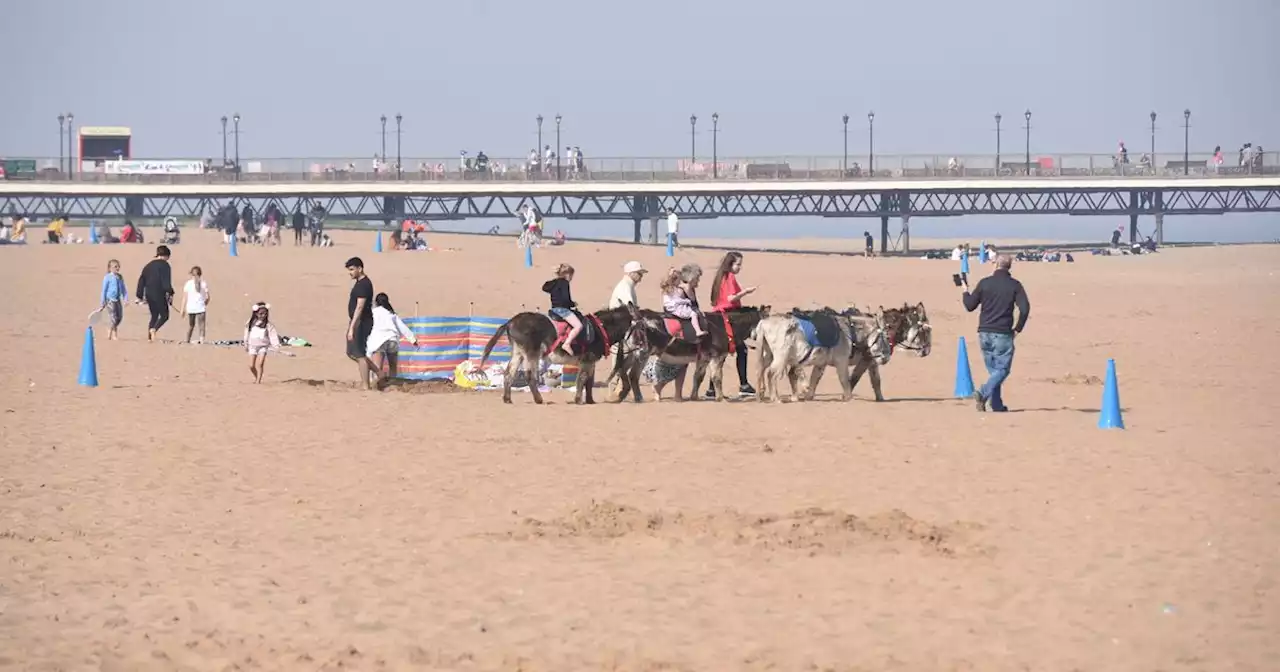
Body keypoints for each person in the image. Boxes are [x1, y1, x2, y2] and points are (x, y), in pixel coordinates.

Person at [961, 254, 1031, 412]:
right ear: (1009, 267)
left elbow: (969, 305)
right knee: (1002, 370)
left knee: (995, 371)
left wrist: (965, 291)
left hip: (984, 332)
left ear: (995, 265)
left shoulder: (985, 283)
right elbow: (1025, 308)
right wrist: (1018, 328)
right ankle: (982, 392)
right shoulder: (1015, 285)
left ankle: (996, 404)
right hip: (1002, 332)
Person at [708, 251, 758, 397]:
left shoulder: (720, 277)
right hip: (728, 318)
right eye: (737, 264)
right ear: (730, 264)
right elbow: (730, 298)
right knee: (735, 351)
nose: (739, 267)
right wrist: (745, 292)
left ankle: (713, 389)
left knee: (721, 354)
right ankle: (743, 384)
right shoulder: (729, 276)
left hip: (720, 316)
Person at [367, 293, 420, 387]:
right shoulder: (391, 314)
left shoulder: (372, 312)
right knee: (393, 367)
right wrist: (413, 340)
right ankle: (392, 385)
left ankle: (376, 384)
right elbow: (402, 327)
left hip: (379, 341)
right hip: (392, 339)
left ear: (376, 302)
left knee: (377, 368)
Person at [345, 257, 377, 389]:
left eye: (352, 269)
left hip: (361, 322)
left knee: (359, 354)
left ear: (360, 269)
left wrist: (352, 327)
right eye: (349, 270)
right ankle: (379, 372)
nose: (350, 273)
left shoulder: (364, 285)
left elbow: (360, 307)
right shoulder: (360, 283)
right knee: (351, 352)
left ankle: (365, 386)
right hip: (357, 321)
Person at [135, 245, 175, 342]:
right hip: (159, 293)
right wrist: (170, 292)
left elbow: (141, 280)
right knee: (165, 315)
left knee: (154, 315)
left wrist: (139, 295)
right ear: (165, 255)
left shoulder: (148, 266)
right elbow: (166, 282)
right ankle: (154, 329)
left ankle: (150, 338)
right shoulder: (165, 265)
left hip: (149, 293)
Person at [542, 263, 581, 356]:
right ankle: (567, 343)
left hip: (554, 309)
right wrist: (572, 304)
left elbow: (545, 288)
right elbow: (565, 299)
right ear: (567, 274)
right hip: (563, 310)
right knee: (578, 326)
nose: (571, 278)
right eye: (571, 275)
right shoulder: (564, 283)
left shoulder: (554, 283)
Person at [661, 265, 706, 337]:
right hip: (680, 313)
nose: (698, 280)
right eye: (697, 278)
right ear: (692, 279)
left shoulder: (685, 288)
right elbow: (692, 304)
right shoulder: (684, 288)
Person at [244, 302, 281, 384]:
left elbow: (273, 336)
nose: (263, 315)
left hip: (263, 346)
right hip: (252, 346)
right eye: (261, 313)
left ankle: (258, 381)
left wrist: (276, 346)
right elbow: (247, 333)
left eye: (265, 313)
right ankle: (256, 376)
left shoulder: (268, 325)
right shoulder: (250, 323)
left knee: (260, 364)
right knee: (251, 365)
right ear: (256, 313)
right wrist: (246, 343)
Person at [180, 266, 210, 344]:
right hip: (200, 307)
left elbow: (185, 298)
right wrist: (205, 302)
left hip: (191, 308)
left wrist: (182, 309)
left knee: (191, 325)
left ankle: (187, 340)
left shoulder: (188, 284)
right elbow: (208, 297)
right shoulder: (203, 283)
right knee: (202, 325)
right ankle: (202, 340)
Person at [99, 259, 128, 341]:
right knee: (113, 318)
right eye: (115, 267)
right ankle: (113, 334)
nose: (117, 268)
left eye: (118, 266)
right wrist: (102, 302)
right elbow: (104, 290)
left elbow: (123, 289)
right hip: (109, 300)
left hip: (117, 299)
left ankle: (110, 328)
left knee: (119, 317)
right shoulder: (107, 277)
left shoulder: (120, 277)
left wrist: (125, 299)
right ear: (110, 268)